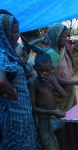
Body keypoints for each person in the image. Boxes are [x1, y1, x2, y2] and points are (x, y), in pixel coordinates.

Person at [29, 23, 78, 150]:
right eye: (63, 37)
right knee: (61, 129)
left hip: (66, 92)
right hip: (59, 95)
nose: (66, 39)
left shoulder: (61, 50)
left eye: (67, 36)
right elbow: (55, 77)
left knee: (68, 124)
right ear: (56, 37)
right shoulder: (51, 53)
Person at [0, 14, 42, 149]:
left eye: (18, 31)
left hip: (22, 114)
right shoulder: (2, 54)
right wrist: (13, 92)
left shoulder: (9, 52)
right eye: (14, 32)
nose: (18, 36)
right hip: (14, 114)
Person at [28, 53, 67, 150]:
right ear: (34, 68)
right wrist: (52, 112)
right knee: (47, 145)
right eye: (40, 70)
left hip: (55, 116)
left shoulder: (51, 79)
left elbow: (63, 95)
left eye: (48, 70)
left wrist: (53, 82)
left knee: (57, 142)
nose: (44, 73)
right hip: (43, 120)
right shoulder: (33, 83)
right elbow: (33, 108)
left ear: (52, 69)